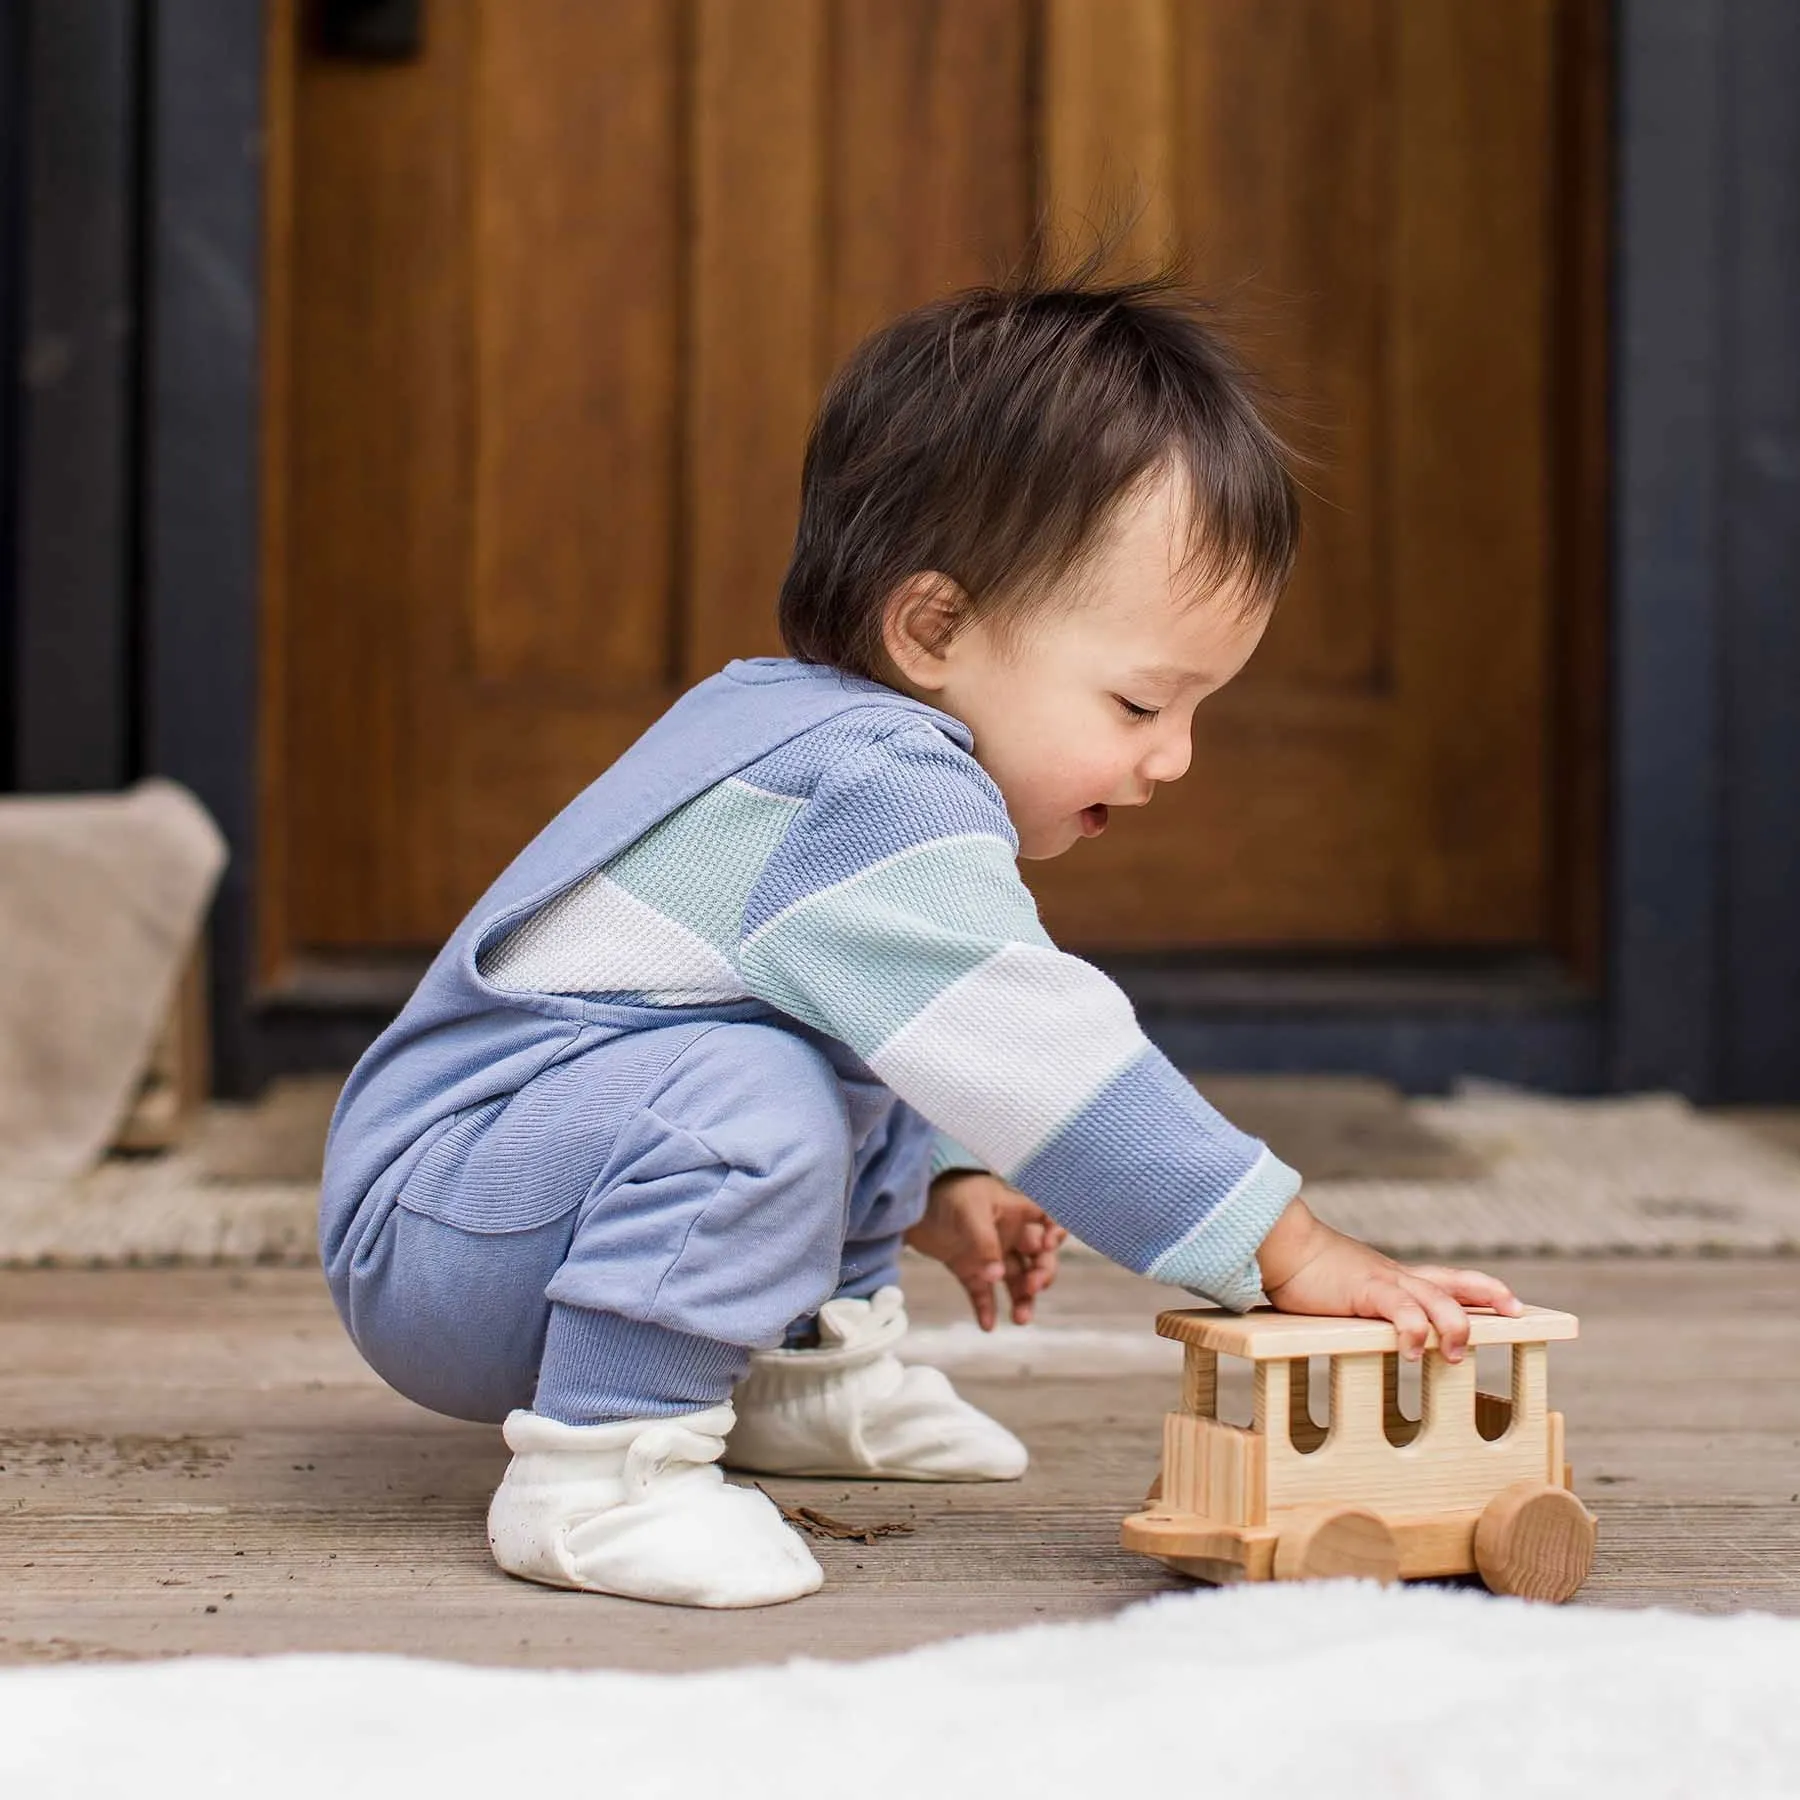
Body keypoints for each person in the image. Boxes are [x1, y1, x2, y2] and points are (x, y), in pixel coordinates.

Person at [318, 261, 1522, 1610]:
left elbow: (926, 1027)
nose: (1175, 759)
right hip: (441, 1241)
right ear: (936, 627)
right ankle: (604, 1471)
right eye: (1139, 704)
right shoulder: (868, 783)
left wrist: (946, 1172)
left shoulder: (832, 754)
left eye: (1197, 715)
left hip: (509, 1202)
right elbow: (1031, 1046)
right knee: (763, 1082)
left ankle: (807, 1366)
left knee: (846, 1035)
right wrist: (1287, 1248)